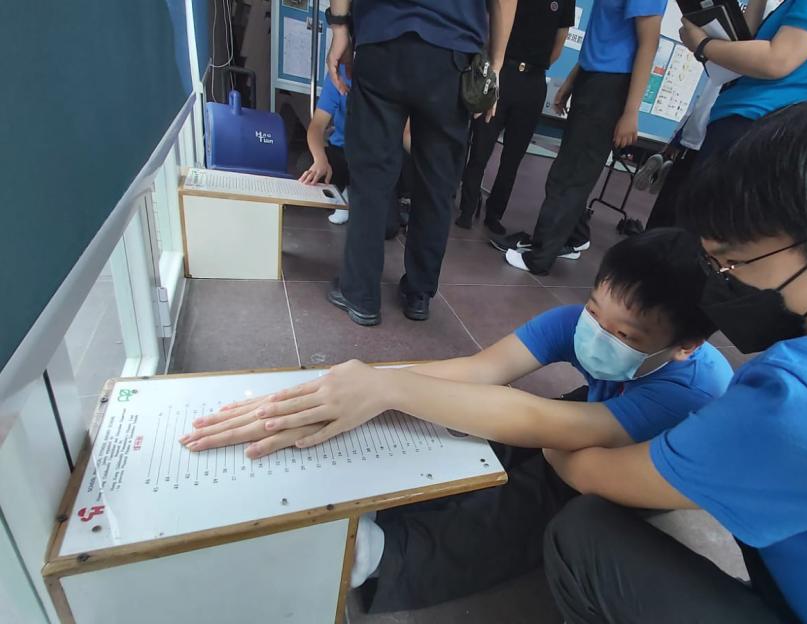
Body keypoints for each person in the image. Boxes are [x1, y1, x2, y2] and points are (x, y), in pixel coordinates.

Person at [179, 228, 734, 613]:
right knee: (481, 430)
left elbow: (555, 432)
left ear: (684, 346)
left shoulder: (688, 390)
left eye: (624, 335)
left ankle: (380, 555)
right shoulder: (586, 323)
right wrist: (355, 387)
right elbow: (479, 370)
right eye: (593, 311)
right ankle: (383, 494)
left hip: (645, 464)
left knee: (544, 498)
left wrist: (391, 390)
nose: (596, 332)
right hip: (595, 417)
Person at [540, 98, 807, 623]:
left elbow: (599, 473)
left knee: (582, 533)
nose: (719, 281)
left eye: (732, 262)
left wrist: (548, 439)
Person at [323, 0, 517, 327]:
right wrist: (495, 67)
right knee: (438, 183)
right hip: (453, 54)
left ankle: (360, 295)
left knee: (371, 176)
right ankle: (418, 293)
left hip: (383, 37)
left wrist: (340, 27)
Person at [646, 0, 807, 229]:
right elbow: (745, 42)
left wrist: (703, 45)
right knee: (690, 227)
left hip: (762, 126)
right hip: (748, 119)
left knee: (700, 233)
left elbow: (777, 60)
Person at [497, 0, 666, 274]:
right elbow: (602, 36)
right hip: (592, 76)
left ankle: (540, 256)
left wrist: (631, 112)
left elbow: (649, 44)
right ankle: (574, 238)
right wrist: (573, 80)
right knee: (575, 170)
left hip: (611, 85)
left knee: (569, 175)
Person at [455, 0, 575, 235]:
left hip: (533, 82)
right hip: (502, 73)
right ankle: (466, 210)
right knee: (480, 149)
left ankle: (494, 214)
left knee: (513, 158)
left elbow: (558, 46)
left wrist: (533, 64)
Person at [298, 69, 412, 239]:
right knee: (307, 164)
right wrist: (320, 159)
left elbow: (406, 134)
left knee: (387, 229)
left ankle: (355, 198)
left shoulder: (399, 76)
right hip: (343, 152)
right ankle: (347, 194)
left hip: (377, 160)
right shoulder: (339, 74)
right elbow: (317, 126)